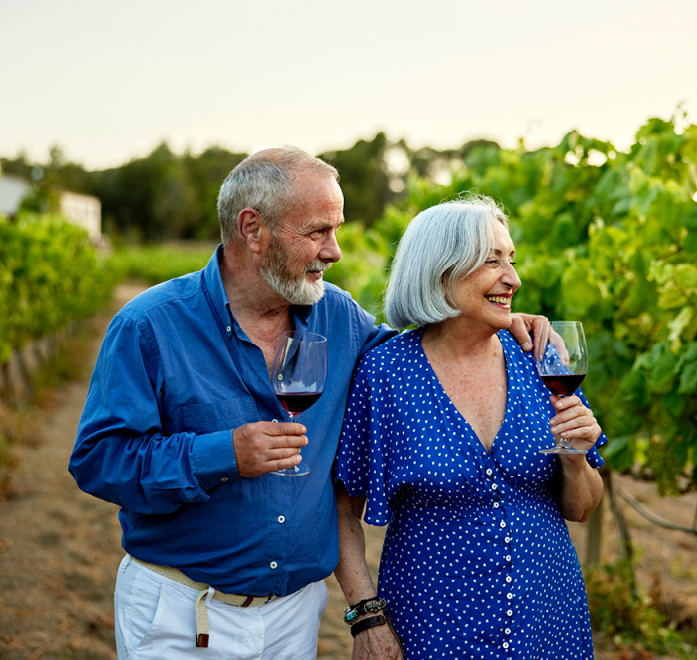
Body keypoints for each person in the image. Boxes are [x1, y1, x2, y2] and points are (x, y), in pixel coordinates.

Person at [69, 148, 546, 660]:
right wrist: (223, 454)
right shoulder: (151, 326)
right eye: (319, 232)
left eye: (337, 230)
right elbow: (99, 460)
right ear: (253, 229)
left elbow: (421, 359)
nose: (335, 251)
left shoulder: (340, 317)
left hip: (295, 617)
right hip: (181, 612)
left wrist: (496, 326)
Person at [332, 195, 606, 659]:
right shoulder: (385, 374)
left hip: (548, 619)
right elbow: (342, 513)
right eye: (491, 261)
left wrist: (577, 462)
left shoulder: (540, 358)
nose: (513, 279)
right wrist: (366, 619)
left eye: (512, 260)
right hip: (433, 624)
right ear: (441, 272)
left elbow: (582, 509)